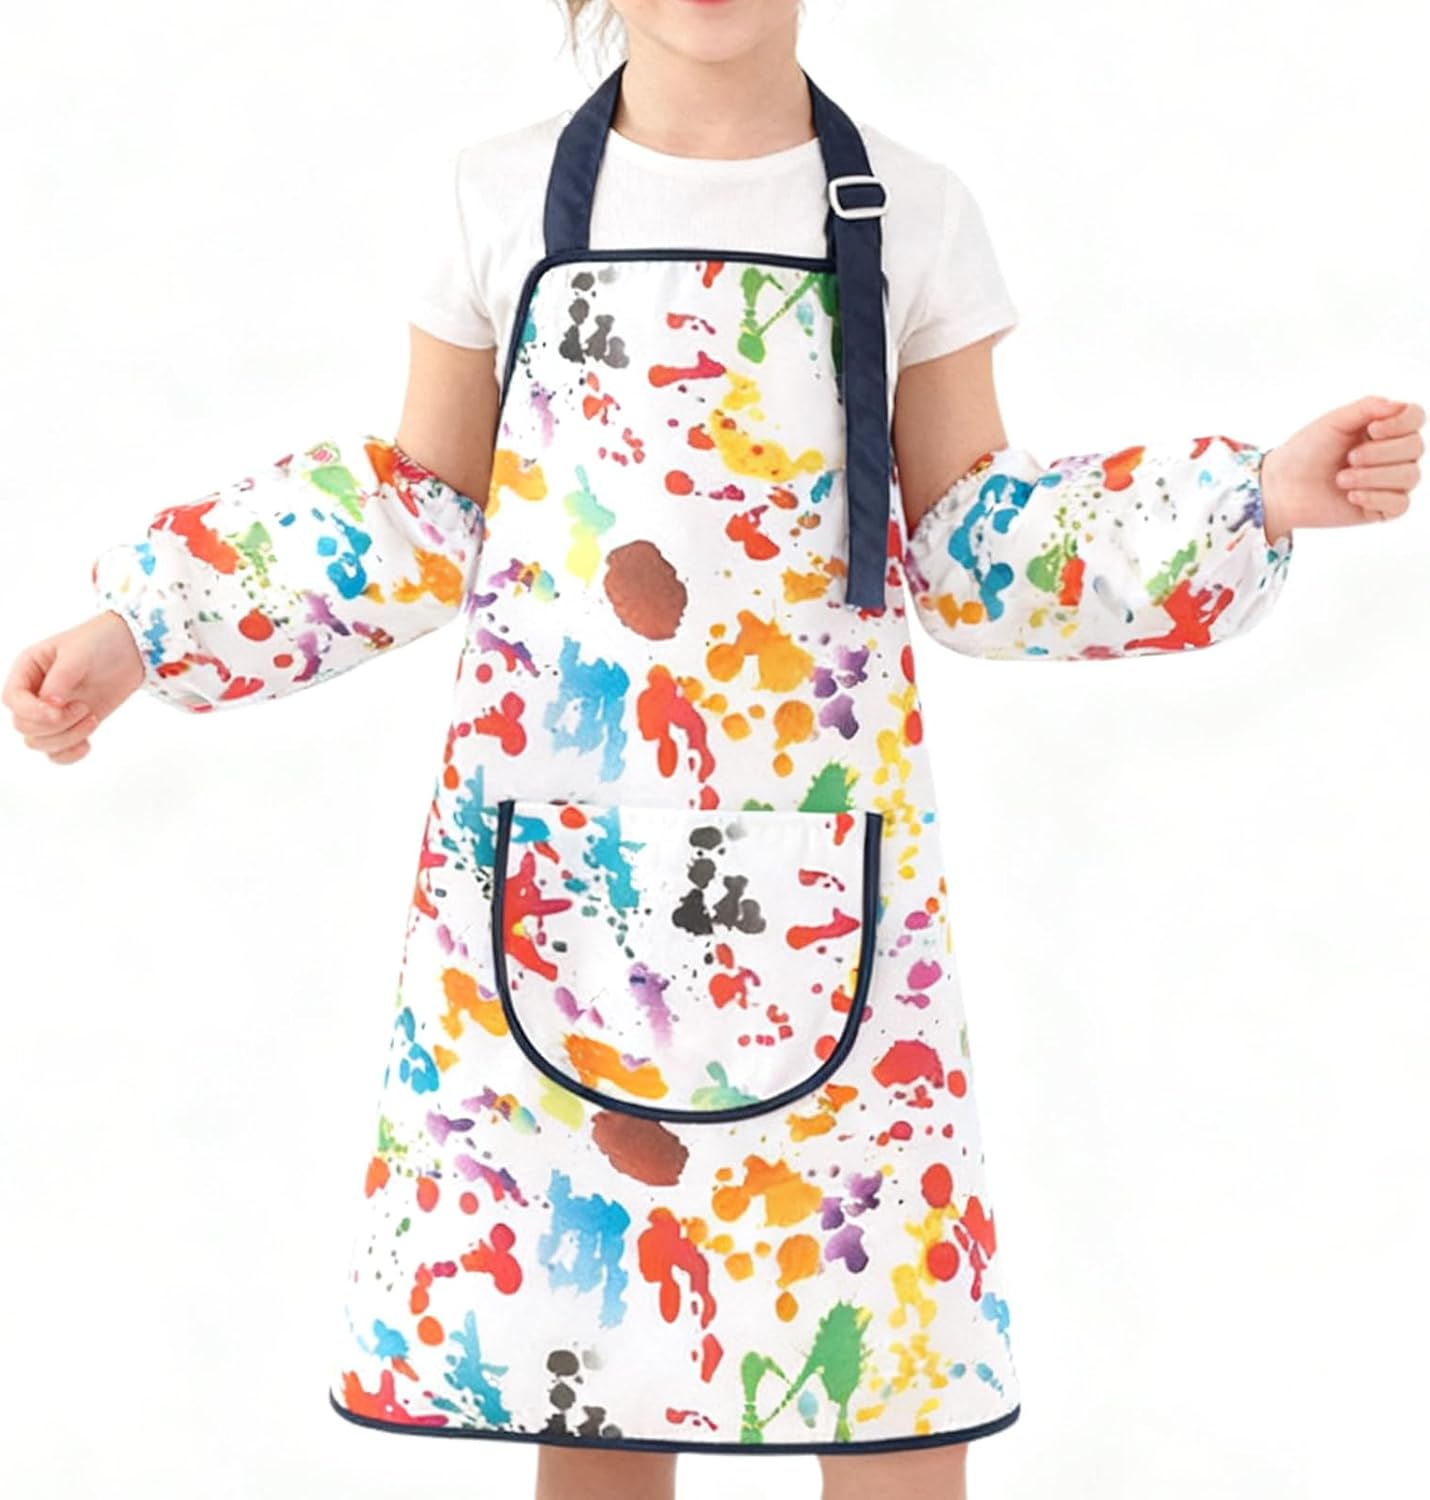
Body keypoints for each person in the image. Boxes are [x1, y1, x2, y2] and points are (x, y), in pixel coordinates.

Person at [5, 3, 1421, 1498]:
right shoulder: (497, 196)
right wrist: (149, 628)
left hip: (832, 896)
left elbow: (969, 547)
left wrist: (1249, 498)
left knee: (884, 1371)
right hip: (561, 889)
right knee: (592, 1370)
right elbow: (418, 509)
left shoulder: (911, 211)